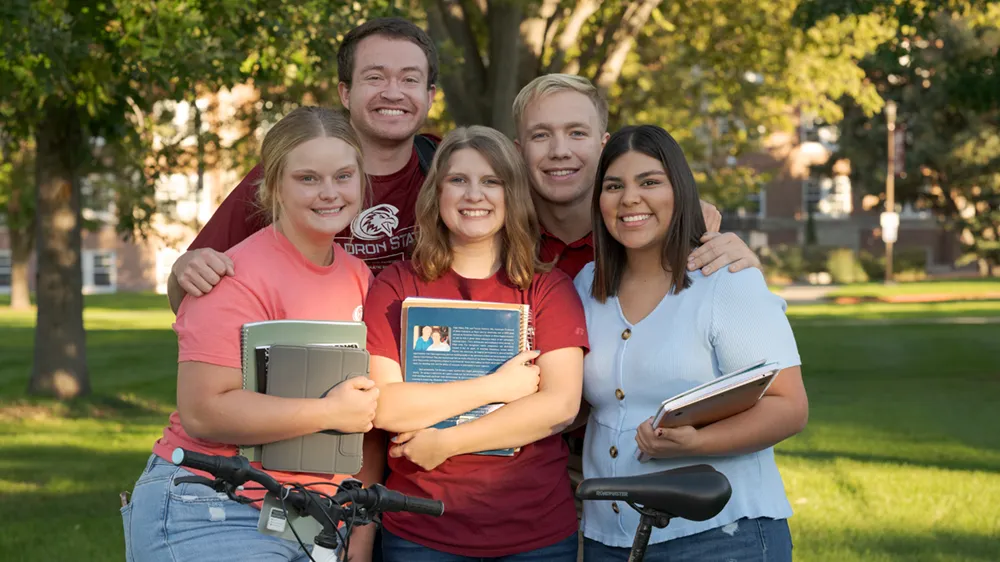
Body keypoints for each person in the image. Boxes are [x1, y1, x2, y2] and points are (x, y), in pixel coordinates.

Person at [119, 106, 381, 562]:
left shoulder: (359, 278)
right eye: (307, 178)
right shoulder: (230, 276)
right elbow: (204, 411)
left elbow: (368, 413)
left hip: (307, 516)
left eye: (343, 176)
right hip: (211, 504)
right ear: (273, 185)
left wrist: (358, 523)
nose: (329, 193)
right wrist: (329, 411)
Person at [571, 124, 809, 562]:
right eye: (614, 186)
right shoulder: (586, 286)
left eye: (650, 182)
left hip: (721, 535)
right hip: (610, 540)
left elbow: (789, 406)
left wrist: (698, 443)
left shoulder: (725, 279)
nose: (630, 199)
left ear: (679, 190)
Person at [362, 125, 589, 561]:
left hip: (534, 533)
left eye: (491, 181)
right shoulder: (396, 286)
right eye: (458, 180)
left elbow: (559, 406)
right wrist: (496, 389)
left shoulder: (547, 289)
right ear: (436, 192)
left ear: (513, 194)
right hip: (421, 531)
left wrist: (447, 442)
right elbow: (387, 408)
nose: (474, 195)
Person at [167, 17, 441, 313]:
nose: (392, 92)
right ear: (345, 93)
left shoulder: (451, 172)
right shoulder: (290, 171)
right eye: (375, 77)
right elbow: (188, 289)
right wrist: (185, 267)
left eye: (410, 79)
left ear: (430, 96)